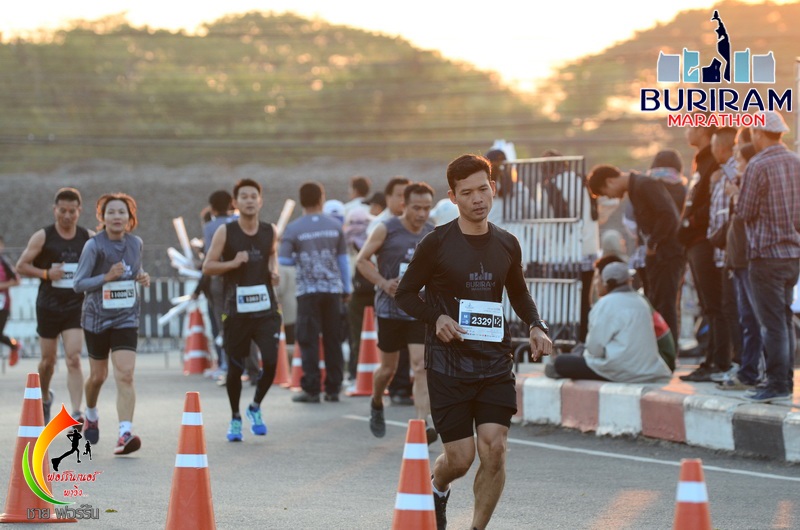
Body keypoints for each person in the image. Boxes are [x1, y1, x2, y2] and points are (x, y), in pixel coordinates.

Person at [395, 154, 552, 530]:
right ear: (453, 197)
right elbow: (404, 294)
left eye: (483, 189)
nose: (477, 198)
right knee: (461, 459)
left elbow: (518, 292)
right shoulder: (436, 244)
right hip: (448, 363)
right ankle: (438, 486)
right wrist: (436, 318)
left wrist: (536, 324)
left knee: (495, 448)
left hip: (495, 360)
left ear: (493, 188)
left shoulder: (507, 243)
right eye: (467, 193)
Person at [202, 179, 282, 441]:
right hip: (236, 311)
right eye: (244, 197)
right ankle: (235, 417)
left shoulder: (270, 230)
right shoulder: (225, 231)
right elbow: (208, 266)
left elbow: (272, 256)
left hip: (266, 309)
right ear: (235, 203)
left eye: (253, 196)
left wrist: (274, 272)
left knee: (271, 361)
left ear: (260, 201)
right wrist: (233, 263)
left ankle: (255, 407)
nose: (249, 200)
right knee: (236, 368)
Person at [356, 182, 436, 443]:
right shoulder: (386, 229)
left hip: (418, 311)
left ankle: (422, 424)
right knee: (387, 369)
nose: (422, 214)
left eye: (426, 208)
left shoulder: (432, 232)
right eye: (416, 208)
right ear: (404, 205)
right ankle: (377, 400)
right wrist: (383, 283)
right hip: (390, 310)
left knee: (420, 366)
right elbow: (361, 260)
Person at [74, 193, 150, 455]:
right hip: (97, 318)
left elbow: (134, 271)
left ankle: (124, 434)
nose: (117, 217)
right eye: (111, 212)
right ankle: (91, 414)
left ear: (130, 218)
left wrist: (142, 277)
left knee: (126, 374)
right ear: (102, 217)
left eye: (122, 212)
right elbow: (78, 284)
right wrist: (106, 277)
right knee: (98, 376)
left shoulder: (136, 243)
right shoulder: (93, 246)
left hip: (126, 316)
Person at [737, 111, 800, 403]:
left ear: (759, 134)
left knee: (772, 323)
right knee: (784, 319)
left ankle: (776, 383)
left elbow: (745, 211)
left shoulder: (758, 165)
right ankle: (784, 381)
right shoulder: (796, 162)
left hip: (766, 256)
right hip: (793, 254)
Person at [586, 165, 684, 353]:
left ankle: (669, 355)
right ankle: (659, 353)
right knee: (656, 303)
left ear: (609, 181)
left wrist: (652, 244)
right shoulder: (636, 188)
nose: (611, 197)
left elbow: (668, 215)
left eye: (606, 193)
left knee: (665, 304)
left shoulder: (644, 184)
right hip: (658, 256)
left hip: (668, 255)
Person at [16, 188, 93, 424]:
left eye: (72, 211)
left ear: (79, 211)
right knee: (48, 361)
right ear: (55, 210)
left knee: (73, 358)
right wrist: (47, 273)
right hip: (48, 305)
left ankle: (76, 412)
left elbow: (103, 264)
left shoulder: (88, 237)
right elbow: (21, 266)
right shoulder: (43, 236)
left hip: (75, 306)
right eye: (62, 211)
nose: (67, 216)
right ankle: (45, 397)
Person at [280, 181, 351, 403]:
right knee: (332, 339)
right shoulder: (335, 226)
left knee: (308, 339)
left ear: (301, 201)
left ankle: (311, 389)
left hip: (307, 291)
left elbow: (284, 260)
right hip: (332, 290)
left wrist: (303, 259)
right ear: (322, 199)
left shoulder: (293, 228)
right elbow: (343, 260)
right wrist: (346, 288)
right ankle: (333, 388)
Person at [550, 259, 675, 379]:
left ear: (606, 283)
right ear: (629, 281)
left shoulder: (605, 304)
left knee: (561, 362)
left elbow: (594, 349)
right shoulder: (642, 303)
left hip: (620, 370)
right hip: (650, 369)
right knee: (580, 351)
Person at [679, 119, 731, 382]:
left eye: (690, 126)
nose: (687, 131)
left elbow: (711, 204)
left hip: (705, 242)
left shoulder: (714, 161)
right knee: (708, 306)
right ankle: (710, 360)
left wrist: (689, 223)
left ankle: (719, 363)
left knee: (715, 305)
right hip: (694, 242)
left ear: (702, 129)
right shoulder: (701, 160)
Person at [718, 141, 763, 390]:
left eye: (739, 159)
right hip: (738, 262)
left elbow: (747, 219)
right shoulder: (740, 185)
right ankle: (748, 371)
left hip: (749, 261)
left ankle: (758, 372)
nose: (736, 163)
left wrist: (736, 195)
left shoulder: (751, 188)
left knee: (756, 319)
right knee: (747, 320)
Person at [708, 127, 742, 378]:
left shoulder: (733, 173)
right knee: (730, 308)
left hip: (731, 253)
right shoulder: (722, 174)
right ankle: (738, 364)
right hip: (725, 251)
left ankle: (740, 364)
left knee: (733, 310)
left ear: (722, 147)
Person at [193, 190, 237, 381]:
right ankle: (242, 365)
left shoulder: (210, 227)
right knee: (240, 321)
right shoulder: (238, 221)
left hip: (218, 279)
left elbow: (210, 257)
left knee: (222, 324)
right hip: (240, 278)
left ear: (212, 207)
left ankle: (226, 365)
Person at [0, 237, 21, 366]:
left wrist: (2, 286)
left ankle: (14, 345)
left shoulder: (4, 263)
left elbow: (17, 281)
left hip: (3, 305)